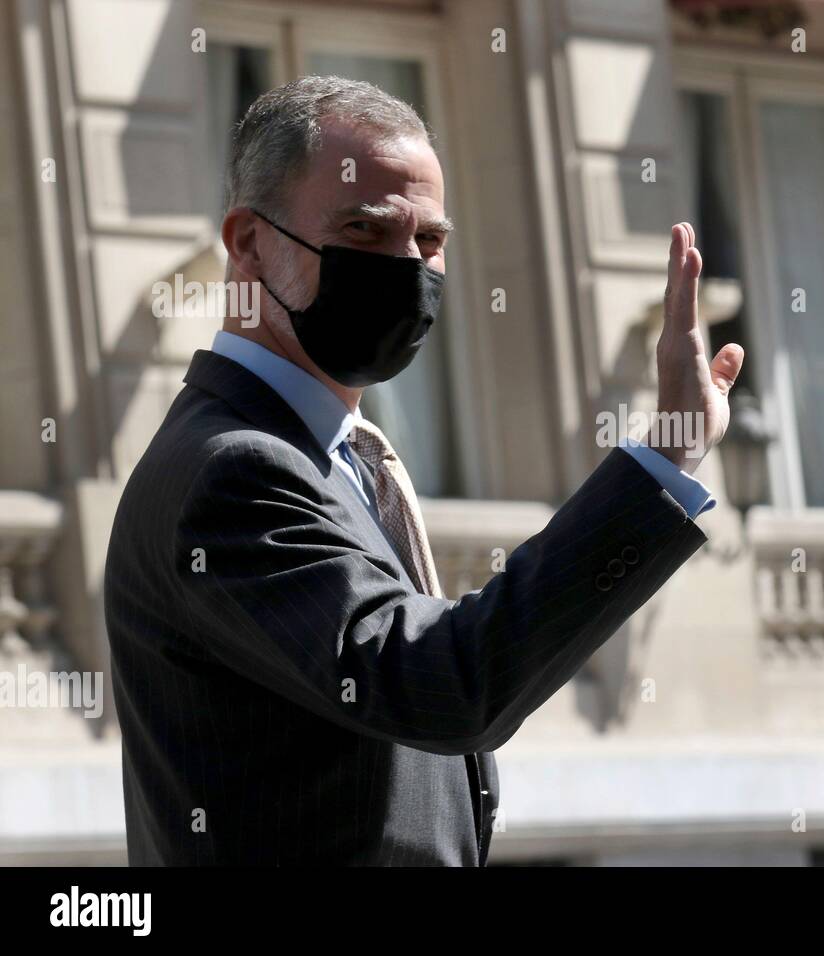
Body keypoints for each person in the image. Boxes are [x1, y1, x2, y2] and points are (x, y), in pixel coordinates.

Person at [104, 76, 744, 866]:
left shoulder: (330, 457)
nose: (407, 268)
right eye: (366, 231)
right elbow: (445, 683)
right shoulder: (234, 470)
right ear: (247, 242)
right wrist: (664, 458)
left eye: (429, 242)